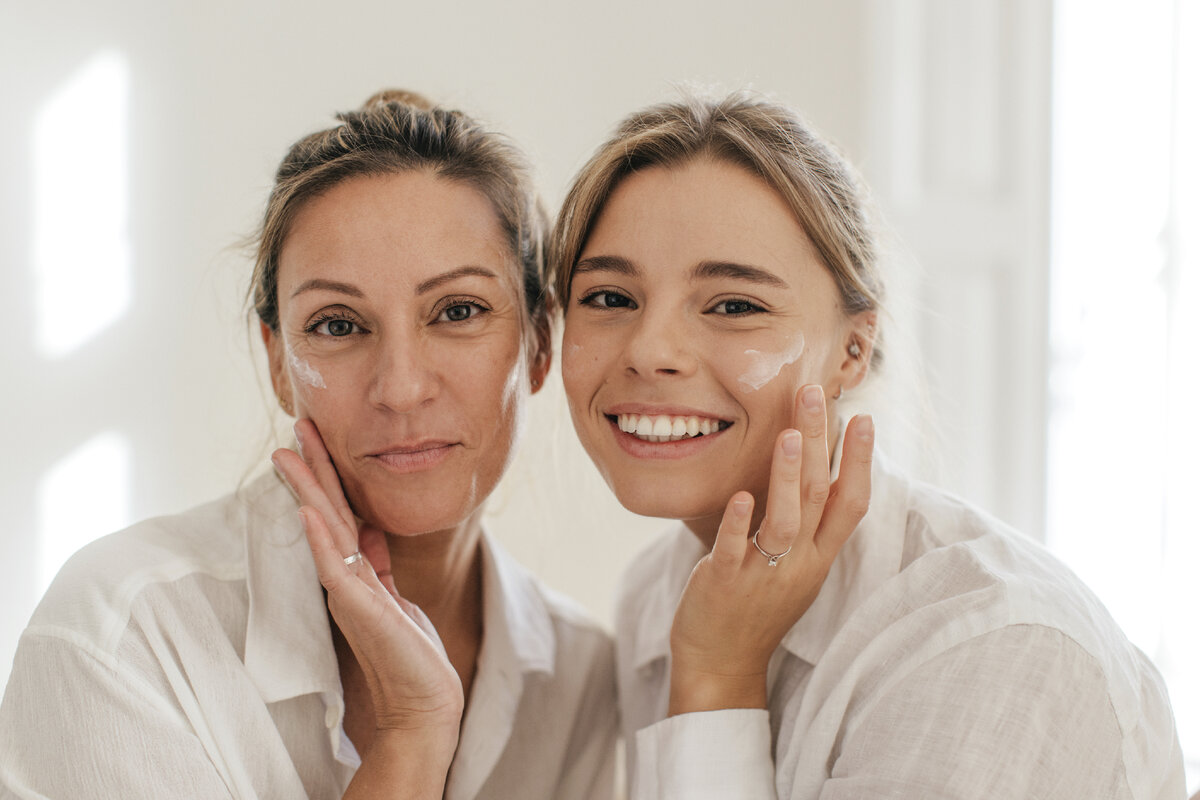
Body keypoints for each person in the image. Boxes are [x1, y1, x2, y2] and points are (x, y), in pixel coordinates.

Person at [549, 91, 1186, 798]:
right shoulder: (657, 593)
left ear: (853, 349)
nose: (649, 351)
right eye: (610, 298)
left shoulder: (996, 644)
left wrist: (717, 677)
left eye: (734, 305)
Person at [0, 91, 617, 799]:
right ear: (278, 363)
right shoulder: (125, 634)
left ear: (539, 344)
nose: (401, 388)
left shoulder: (581, 680)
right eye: (338, 325)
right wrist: (414, 731)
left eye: (457, 311)